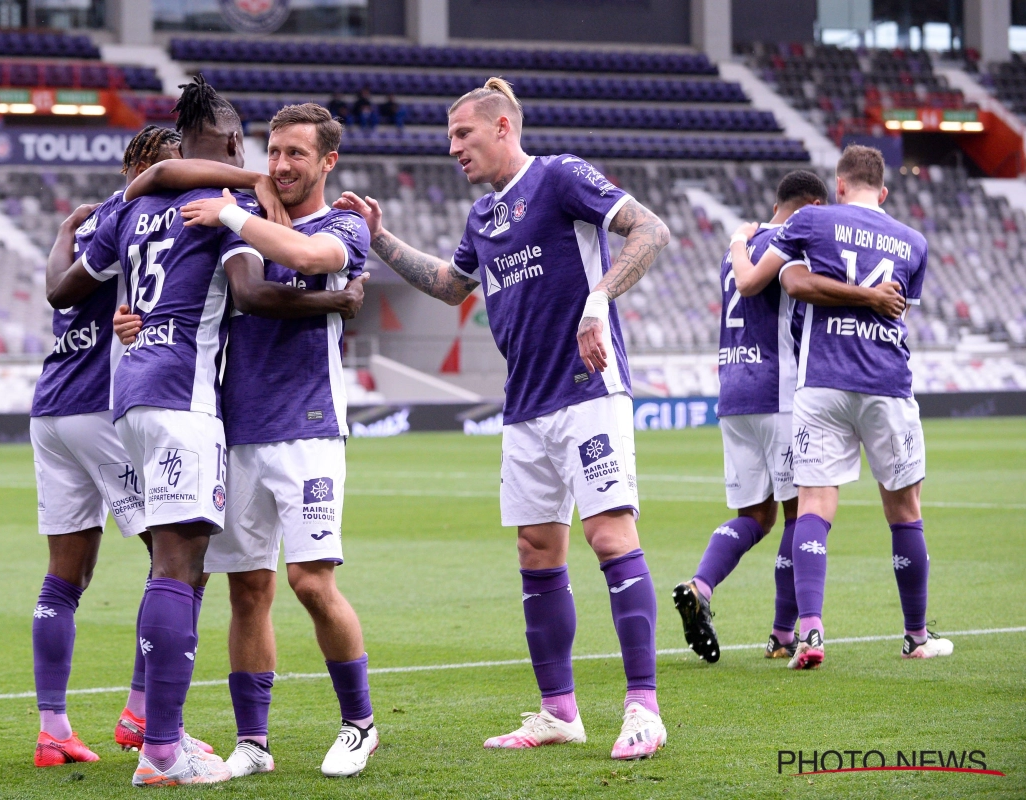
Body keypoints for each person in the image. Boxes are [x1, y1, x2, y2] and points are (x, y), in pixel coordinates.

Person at [335, 78, 672, 760]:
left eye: (463, 135)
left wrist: (599, 299)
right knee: (536, 553)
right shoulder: (482, 219)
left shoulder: (558, 177)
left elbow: (651, 229)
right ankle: (558, 712)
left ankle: (643, 708)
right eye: (450, 138)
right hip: (525, 407)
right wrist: (379, 239)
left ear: (502, 129)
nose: (454, 148)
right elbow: (451, 286)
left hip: (588, 392)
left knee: (609, 537)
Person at [117, 102, 379, 778]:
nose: (283, 164)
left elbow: (311, 255)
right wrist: (134, 321)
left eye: (298, 154)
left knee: (310, 580)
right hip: (236, 429)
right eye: (276, 152)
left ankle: (360, 724)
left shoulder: (341, 223)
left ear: (328, 161)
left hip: (310, 427)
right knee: (247, 589)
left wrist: (236, 212)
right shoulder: (238, 220)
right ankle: (253, 743)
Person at [48, 76, 265, 786]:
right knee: (180, 563)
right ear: (233, 143)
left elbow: (69, 287)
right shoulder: (223, 206)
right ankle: (161, 750)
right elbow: (251, 293)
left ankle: (155, 731)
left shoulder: (128, 210)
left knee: (174, 559)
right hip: (182, 397)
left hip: (130, 395)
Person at [727, 144, 952, 670]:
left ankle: (810, 632)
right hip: (887, 382)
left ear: (841, 184)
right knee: (904, 511)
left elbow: (774, 280)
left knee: (813, 507)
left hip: (822, 380)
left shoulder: (813, 219)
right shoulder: (913, 241)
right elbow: (895, 308)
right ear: (885, 190)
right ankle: (916, 637)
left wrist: (740, 241)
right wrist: (870, 297)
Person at [672, 170, 907, 664]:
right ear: (813, 205)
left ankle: (701, 585)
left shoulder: (738, 247)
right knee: (800, 515)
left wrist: (739, 237)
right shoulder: (792, 241)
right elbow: (793, 288)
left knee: (756, 515)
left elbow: (744, 281)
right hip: (777, 391)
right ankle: (784, 632)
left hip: (733, 393)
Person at [29, 125, 178, 768]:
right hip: (98, 405)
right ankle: (140, 714)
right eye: (174, 164)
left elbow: (57, 288)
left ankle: (53, 728)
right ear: (145, 166)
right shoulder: (136, 216)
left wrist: (63, 232)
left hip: (51, 409)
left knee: (67, 577)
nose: (183, 174)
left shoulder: (89, 228)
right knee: (173, 555)